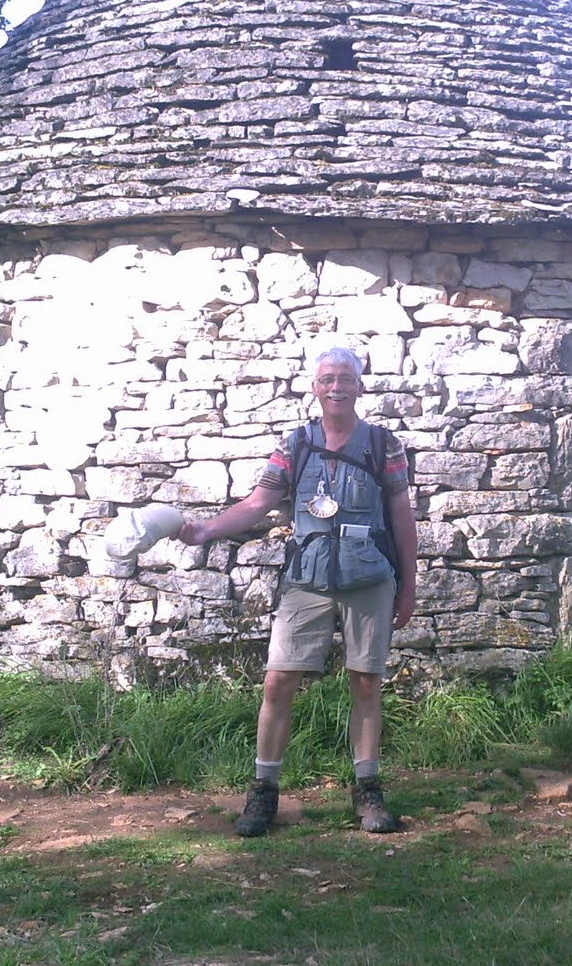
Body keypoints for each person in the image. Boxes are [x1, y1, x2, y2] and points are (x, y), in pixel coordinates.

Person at [179, 346, 419, 836]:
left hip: (370, 576)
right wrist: (206, 530)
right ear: (315, 387)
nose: (337, 386)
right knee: (277, 683)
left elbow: (401, 516)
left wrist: (409, 583)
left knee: (366, 682)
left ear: (359, 386)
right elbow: (259, 502)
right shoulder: (295, 445)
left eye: (345, 378)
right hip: (306, 578)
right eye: (327, 378)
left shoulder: (382, 445)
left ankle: (368, 793)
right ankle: (263, 793)